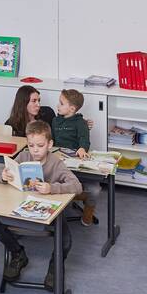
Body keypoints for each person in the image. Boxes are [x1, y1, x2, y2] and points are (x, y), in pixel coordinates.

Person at [0, 120, 82, 287]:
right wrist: (3, 176)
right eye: (31, 145)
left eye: (40, 146)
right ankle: (18, 254)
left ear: (49, 144)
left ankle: (55, 266)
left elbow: (77, 186)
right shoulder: (24, 156)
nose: (35, 150)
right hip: (20, 208)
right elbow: (1, 174)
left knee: (66, 239)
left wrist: (52, 188)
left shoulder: (56, 163)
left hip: (49, 212)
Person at [52, 89, 96, 226]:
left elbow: (84, 139)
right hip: (58, 159)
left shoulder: (80, 122)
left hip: (75, 159)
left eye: (61, 103)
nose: (57, 105)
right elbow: (51, 138)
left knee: (94, 190)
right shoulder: (55, 120)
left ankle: (87, 213)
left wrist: (82, 148)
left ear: (71, 108)